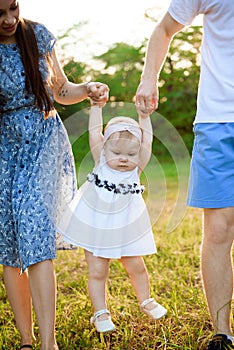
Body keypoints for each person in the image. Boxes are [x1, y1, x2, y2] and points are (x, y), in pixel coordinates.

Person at [0, 0, 109, 349]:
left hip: (42, 138)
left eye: (13, 8)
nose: (9, 19)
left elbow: (61, 90)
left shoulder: (37, 35)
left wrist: (88, 88)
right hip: (4, 145)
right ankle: (27, 342)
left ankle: (49, 343)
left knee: (33, 228)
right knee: (10, 242)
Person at [135, 1, 234, 349]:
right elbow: (164, 29)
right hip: (217, 118)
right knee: (219, 227)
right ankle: (222, 333)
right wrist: (149, 79)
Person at [57, 97, 167, 333]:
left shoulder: (136, 171)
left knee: (136, 266)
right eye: (116, 152)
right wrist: (97, 108)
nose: (124, 158)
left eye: (131, 154)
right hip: (95, 227)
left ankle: (145, 300)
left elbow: (146, 140)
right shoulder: (101, 163)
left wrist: (144, 117)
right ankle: (100, 313)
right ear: (104, 148)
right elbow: (94, 131)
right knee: (98, 270)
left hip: (125, 229)